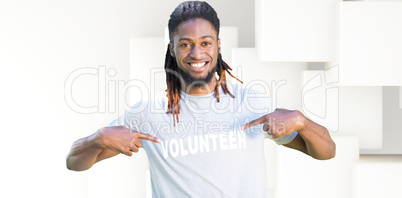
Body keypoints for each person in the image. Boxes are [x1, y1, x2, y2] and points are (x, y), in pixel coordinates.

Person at [66, 1, 336, 197]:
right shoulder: (147, 113)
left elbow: (326, 152)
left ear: (218, 45)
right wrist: (98, 138)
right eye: (185, 44)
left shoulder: (252, 104)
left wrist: (301, 121)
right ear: (172, 49)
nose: (197, 53)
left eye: (206, 42)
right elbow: (74, 163)